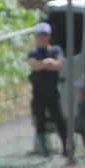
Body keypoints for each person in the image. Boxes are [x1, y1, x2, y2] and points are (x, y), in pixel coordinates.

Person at [27, 22, 68, 157]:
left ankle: (66, 148)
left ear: (49, 36)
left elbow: (58, 64)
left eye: (45, 35)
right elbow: (34, 65)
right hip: (38, 94)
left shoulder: (55, 50)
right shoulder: (33, 52)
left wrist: (45, 64)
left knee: (59, 120)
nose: (42, 38)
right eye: (40, 35)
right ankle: (43, 150)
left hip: (52, 92)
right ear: (36, 37)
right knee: (40, 122)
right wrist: (47, 63)